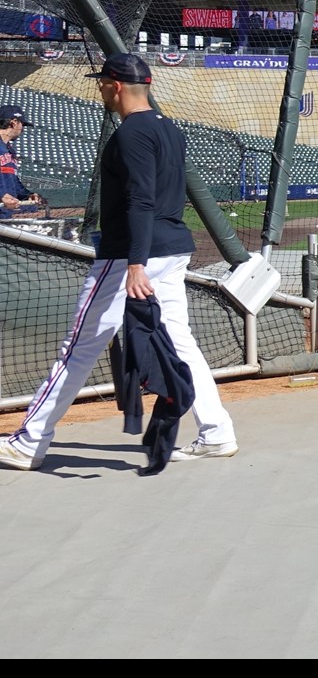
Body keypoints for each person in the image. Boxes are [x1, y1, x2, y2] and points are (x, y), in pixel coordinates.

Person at [0, 53, 239, 471]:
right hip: (171, 248)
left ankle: (28, 442)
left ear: (115, 86)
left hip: (131, 256)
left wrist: (135, 262)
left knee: (78, 346)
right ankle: (217, 432)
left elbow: (140, 200)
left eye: (102, 84)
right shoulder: (170, 130)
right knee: (181, 342)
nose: (99, 90)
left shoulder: (130, 134)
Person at [0, 104, 45, 214]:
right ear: (14, 122)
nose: (23, 129)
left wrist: (27, 195)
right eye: (22, 124)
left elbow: (13, 182)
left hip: (5, 215)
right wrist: (1, 195)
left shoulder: (9, 149)